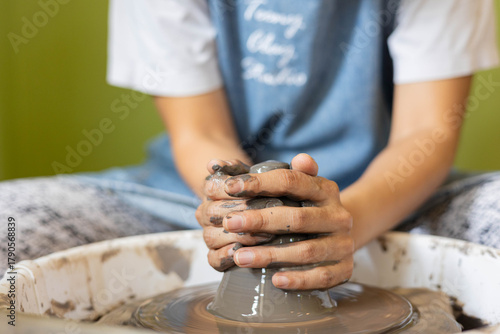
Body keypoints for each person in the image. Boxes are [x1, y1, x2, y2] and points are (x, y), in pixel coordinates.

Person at [1, 0, 499, 289]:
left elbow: (426, 133)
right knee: (9, 223)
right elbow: (198, 133)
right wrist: (234, 206)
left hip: (389, 198)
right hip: (187, 198)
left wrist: (343, 226)